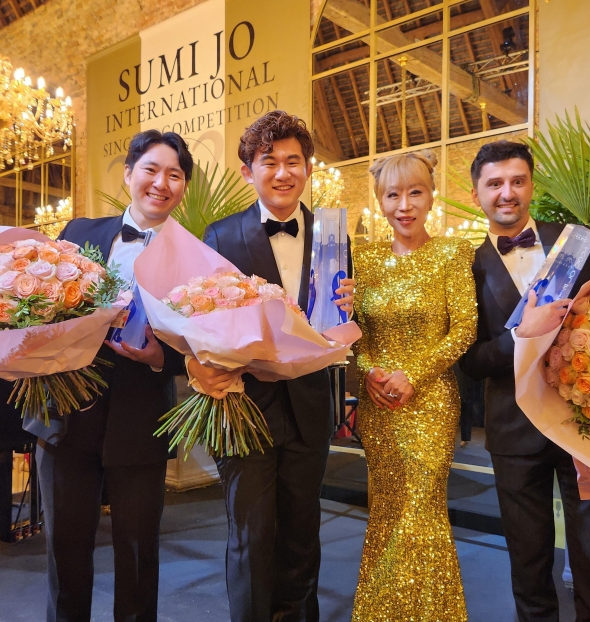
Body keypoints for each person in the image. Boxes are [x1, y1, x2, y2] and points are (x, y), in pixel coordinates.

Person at [188, 110, 355, 622]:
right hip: (244, 404)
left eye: (293, 162)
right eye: (269, 162)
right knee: (251, 535)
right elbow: (196, 318)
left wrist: (350, 304)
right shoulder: (220, 235)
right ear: (248, 171)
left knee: (303, 532)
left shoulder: (334, 235)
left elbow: (338, 318)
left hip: (308, 405)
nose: (282, 173)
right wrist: (201, 365)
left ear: (308, 168)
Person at [25, 130, 192, 622]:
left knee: (139, 560)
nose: (161, 183)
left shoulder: (194, 258)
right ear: (128, 174)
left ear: (182, 187)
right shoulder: (79, 231)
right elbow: (39, 313)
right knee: (65, 557)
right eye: (151, 170)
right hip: (65, 420)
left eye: (175, 175)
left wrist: (162, 358)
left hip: (141, 423)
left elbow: (204, 341)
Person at [459, 140, 590, 622]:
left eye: (517, 180)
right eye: (494, 184)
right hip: (513, 430)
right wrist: (519, 337)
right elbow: (469, 359)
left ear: (532, 184)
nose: (506, 193)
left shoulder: (581, 243)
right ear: (476, 194)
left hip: (589, 424)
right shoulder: (464, 268)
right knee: (528, 560)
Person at [351, 151, 477, 621]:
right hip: (378, 404)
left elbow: (464, 327)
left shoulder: (451, 254)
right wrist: (369, 371)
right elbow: (353, 331)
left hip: (431, 404)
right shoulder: (363, 259)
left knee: (421, 512)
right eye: (393, 194)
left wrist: (414, 374)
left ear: (430, 196)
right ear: (380, 202)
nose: (404, 204)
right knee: (385, 510)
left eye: (415, 192)